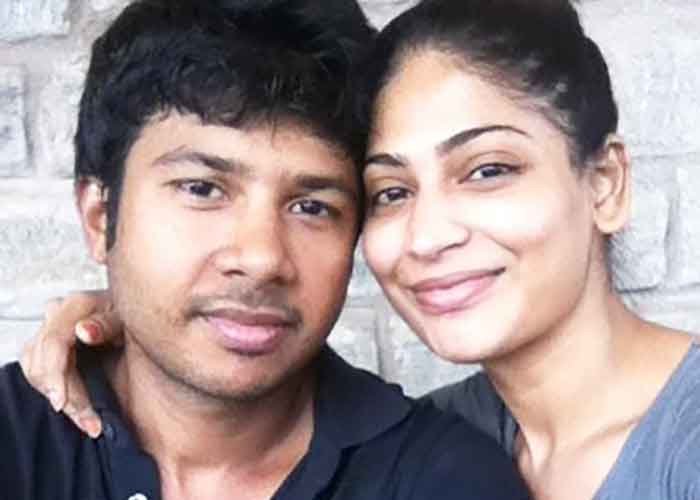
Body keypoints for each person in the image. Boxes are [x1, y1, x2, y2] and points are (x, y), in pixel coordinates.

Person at [19, 0, 700, 499]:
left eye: (489, 170)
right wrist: (143, 307)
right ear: (99, 216)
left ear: (606, 183)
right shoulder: (450, 433)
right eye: (392, 191)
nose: (429, 235)